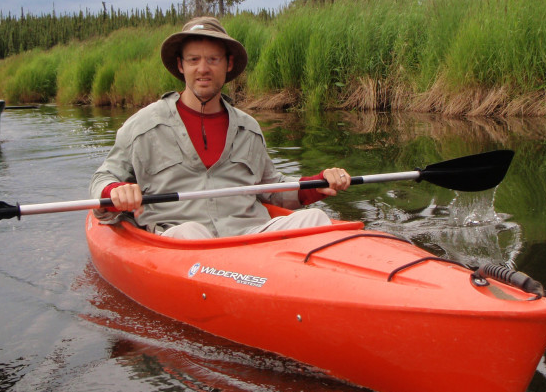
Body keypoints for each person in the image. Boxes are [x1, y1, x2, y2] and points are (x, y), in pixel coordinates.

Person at [90, 16, 351, 239]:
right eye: (194, 60)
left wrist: (317, 184)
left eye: (213, 60)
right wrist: (116, 191)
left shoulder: (248, 129)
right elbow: (103, 179)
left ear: (228, 65)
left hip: (248, 235)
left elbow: (273, 190)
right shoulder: (142, 126)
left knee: (314, 219)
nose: (203, 69)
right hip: (179, 239)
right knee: (191, 233)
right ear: (181, 65)